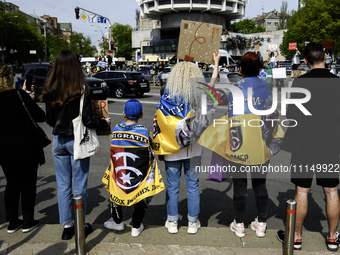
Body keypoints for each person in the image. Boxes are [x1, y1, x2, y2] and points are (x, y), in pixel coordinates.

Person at [199, 52, 282, 238]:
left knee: (239, 185)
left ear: (240, 69)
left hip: (239, 143)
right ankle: (261, 223)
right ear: (260, 69)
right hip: (261, 143)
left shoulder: (234, 89)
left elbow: (209, 95)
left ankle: (239, 224)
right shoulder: (268, 89)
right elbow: (273, 116)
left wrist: (215, 67)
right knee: (261, 184)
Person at [41, 50, 111, 240]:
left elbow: (48, 120)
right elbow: (88, 120)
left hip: (58, 141)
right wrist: (104, 123)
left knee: (63, 185)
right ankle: (80, 224)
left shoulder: (51, 88)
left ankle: (67, 226)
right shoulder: (81, 89)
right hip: (77, 141)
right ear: (75, 67)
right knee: (79, 184)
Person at [278, 42, 340, 251]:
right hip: (331, 145)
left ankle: (296, 237)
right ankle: (332, 238)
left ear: (305, 61)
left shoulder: (300, 83)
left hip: (304, 144)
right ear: (325, 57)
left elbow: (292, 116)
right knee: (331, 191)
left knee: (302, 191)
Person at [152, 52, 221, 235]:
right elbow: (212, 88)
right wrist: (215, 65)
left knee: (173, 186)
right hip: (194, 148)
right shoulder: (199, 94)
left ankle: (172, 221)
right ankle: (192, 222)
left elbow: (159, 122)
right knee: (193, 186)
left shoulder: (167, 95)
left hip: (172, 147)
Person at [102, 99, 165, 237]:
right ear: (141, 115)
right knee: (141, 194)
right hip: (139, 175)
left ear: (123, 113)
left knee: (114, 187)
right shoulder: (144, 133)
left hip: (120, 174)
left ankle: (117, 221)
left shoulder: (116, 130)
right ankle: (136, 226)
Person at [0, 64, 45, 233]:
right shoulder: (19, 95)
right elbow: (41, 117)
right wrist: (28, 96)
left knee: (11, 183)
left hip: (4, 150)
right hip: (26, 147)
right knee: (28, 184)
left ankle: (12, 221)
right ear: (10, 78)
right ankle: (28, 220)